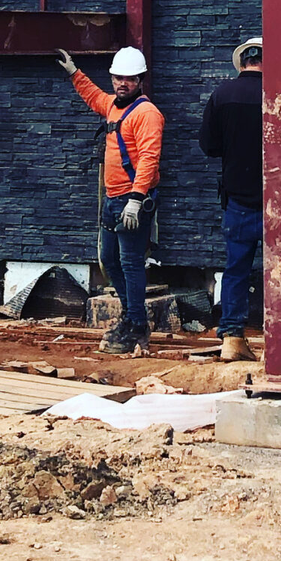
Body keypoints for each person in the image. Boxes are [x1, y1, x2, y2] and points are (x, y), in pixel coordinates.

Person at [198, 36, 281, 362]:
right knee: (278, 271)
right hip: (274, 202)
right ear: (269, 61)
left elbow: (208, 146)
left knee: (235, 270)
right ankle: (279, 344)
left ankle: (232, 339)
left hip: (237, 202)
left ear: (244, 61)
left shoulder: (221, 96)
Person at [55, 45, 163, 355]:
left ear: (140, 80)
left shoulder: (146, 113)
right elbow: (94, 97)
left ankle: (137, 324)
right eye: (118, 78)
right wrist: (74, 72)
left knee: (130, 264)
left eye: (128, 79)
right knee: (110, 261)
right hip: (112, 199)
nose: (121, 84)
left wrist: (135, 198)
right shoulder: (115, 106)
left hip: (132, 202)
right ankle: (132, 317)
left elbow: (148, 158)